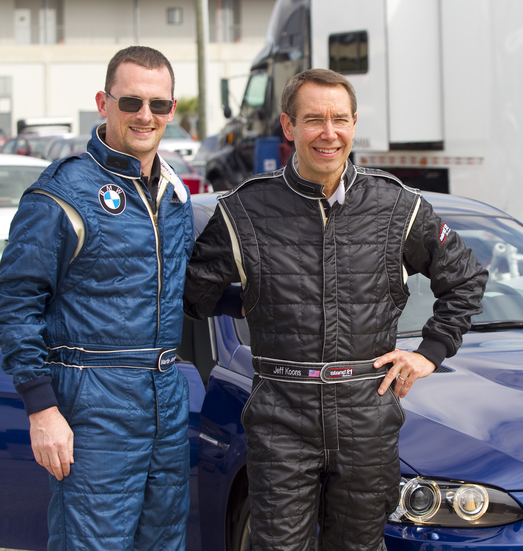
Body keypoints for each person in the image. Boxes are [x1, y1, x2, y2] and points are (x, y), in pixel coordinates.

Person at [184, 68, 488, 551]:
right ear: (289, 126)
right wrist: (246, 301)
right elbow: (192, 293)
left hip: (366, 415)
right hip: (281, 417)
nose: (329, 133)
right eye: (314, 120)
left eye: (339, 119)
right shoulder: (244, 211)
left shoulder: (397, 207)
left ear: (353, 124)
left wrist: (429, 353)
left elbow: (466, 278)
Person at [0, 46, 193, 550]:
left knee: (163, 543)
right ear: (104, 103)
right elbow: (14, 304)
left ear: (171, 109)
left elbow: (192, 289)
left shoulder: (173, 193)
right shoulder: (63, 193)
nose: (145, 116)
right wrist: (42, 409)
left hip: (166, 399)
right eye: (131, 102)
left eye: (158, 105)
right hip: (93, 405)